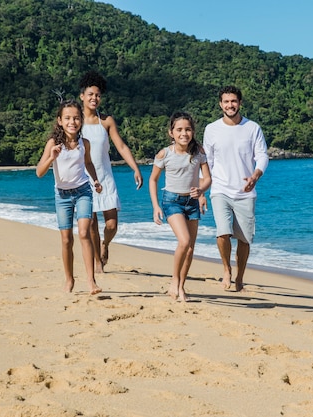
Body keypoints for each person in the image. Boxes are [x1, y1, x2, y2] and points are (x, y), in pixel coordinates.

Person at [202, 86, 269, 292]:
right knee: (223, 233)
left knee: (244, 239)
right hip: (220, 189)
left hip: (245, 192)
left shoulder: (252, 128)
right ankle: (226, 270)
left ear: (239, 103)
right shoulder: (211, 129)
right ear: (220, 104)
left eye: (233, 101)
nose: (230, 105)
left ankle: (240, 277)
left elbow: (263, 155)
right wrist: (202, 191)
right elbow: (206, 162)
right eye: (226, 101)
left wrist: (255, 176)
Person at [36, 99, 104, 295]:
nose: (72, 122)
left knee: (84, 233)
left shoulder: (85, 143)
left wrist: (96, 181)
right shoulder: (53, 143)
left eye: (75, 118)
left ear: (81, 121)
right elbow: (39, 172)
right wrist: (51, 157)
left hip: (83, 191)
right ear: (59, 121)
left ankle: (91, 281)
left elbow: (88, 163)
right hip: (62, 195)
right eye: (67, 118)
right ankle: (69, 279)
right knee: (66, 240)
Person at [79, 71, 144, 273]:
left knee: (111, 225)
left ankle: (105, 244)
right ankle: (98, 262)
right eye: (90, 94)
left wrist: (135, 168)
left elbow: (121, 146)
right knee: (91, 225)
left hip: (105, 178)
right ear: (82, 95)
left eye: (97, 95)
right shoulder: (75, 121)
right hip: (84, 179)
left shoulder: (106, 121)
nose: (94, 98)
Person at [149, 112, 211, 302]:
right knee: (184, 241)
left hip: (191, 204)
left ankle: (181, 286)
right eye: (179, 130)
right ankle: (174, 281)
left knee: (190, 249)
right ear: (171, 133)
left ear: (192, 131)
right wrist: (155, 206)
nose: (184, 133)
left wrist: (201, 190)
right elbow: (153, 179)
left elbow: (208, 178)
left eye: (188, 129)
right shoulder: (164, 154)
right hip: (172, 201)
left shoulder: (198, 152)